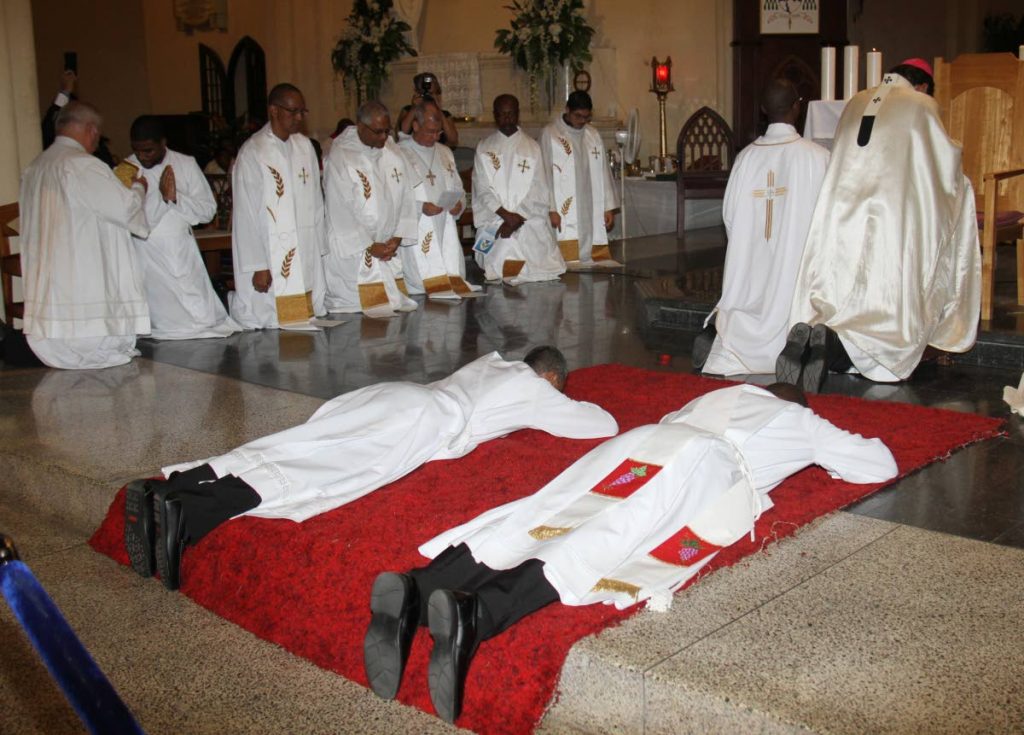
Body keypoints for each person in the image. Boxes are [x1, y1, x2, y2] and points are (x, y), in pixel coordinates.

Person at [362, 382, 897, 722]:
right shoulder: (799, 419)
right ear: (795, 402)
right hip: (700, 466)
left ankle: (419, 587)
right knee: (602, 544)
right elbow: (878, 464)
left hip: (641, 446)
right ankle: (476, 614)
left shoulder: (720, 395)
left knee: (546, 517)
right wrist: (819, 453)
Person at [123, 346, 616, 591]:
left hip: (398, 394)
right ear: (549, 376)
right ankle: (188, 515)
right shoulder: (535, 388)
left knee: (297, 443)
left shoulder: (492, 363)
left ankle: (178, 490)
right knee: (323, 473)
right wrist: (556, 395)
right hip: (424, 421)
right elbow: (602, 425)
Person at [778, 58, 980, 391]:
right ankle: (838, 350)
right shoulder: (920, 104)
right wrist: (961, 185)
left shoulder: (857, 100)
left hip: (843, 212)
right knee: (885, 308)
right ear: (924, 86)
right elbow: (942, 162)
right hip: (891, 215)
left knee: (845, 291)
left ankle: (825, 337)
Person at [693, 79, 829, 376]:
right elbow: (829, 221)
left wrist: (750, 240)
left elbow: (729, 215)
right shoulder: (817, 157)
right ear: (797, 107)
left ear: (764, 110)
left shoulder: (746, 157)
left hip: (750, 263)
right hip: (794, 265)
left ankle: (725, 335)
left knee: (743, 298)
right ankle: (793, 346)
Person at [19, 101, 151, 369]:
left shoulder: (37, 165)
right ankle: (91, 347)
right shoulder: (83, 165)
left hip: (51, 262)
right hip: (81, 261)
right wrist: (138, 188)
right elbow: (125, 211)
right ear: (91, 130)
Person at [126, 116, 241, 340]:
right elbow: (128, 218)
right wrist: (160, 199)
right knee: (167, 323)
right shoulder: (125, 168)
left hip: (181, 249)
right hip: (147, 253)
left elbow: (207, 211)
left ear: (163, 142)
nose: (142, 156)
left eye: (148, 150)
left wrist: (175, 198)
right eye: (137, 150)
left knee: (202, 319)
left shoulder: (185, 164)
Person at [230, 82, 327, 329]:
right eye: (292, 111)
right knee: (274, 324)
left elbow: (317, 200)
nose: (298, 118)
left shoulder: (305, 146)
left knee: (304, 320)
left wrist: (320, 246)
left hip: (304, 243)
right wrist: (258, 264)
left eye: (301, 112)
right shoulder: (254, 152)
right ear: (273, 110)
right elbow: (245, 213)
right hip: (270, 250)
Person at [323, 101, 419, 317]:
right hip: (354, 253)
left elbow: (406, 195)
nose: (384, 137)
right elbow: (339, 209)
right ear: (360, 126)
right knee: (356, 314)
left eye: (387, 130)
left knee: (389, 308)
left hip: (386, 248)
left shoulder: (392, 151)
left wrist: (398, 236)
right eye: (377, 132)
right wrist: (368, 245)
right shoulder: (341, 155)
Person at [473, 95, 566, 285]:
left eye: (511, 113)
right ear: (495, 115)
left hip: (526, 219)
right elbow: (481, 189)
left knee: (535, 264)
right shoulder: (484, 148)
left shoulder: (532, 147)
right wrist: (506, 216)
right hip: (496, 219)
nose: (507, 118)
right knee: (497, 263)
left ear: (518, 114)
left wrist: (517, 218)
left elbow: (539, 189)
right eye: (502, 114)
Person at [398, 100, 481, 300]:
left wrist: (459, 204)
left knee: (448, 278)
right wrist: (420, 207)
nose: (435, 137)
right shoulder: (399, 153)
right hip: (417, 228)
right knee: (421, 284)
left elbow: (458, 187)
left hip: (445, 224)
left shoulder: (444, 152)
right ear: (415, 126)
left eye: (438, 132)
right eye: (429, 131)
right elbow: (394, 197)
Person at [539, 91, 619, 265]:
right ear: (567, 110)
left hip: (589, 202)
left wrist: (607, 207)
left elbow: (603, 172)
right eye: (578, 116)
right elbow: (545, 174)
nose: (582, 121)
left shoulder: (593, 135)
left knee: (590, 252)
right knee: (566, 257)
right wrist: (551, 208)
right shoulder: (551, 134)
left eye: (586, 117)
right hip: (562, 207)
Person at [396, 72, 459, 147]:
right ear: (416, 92)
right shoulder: (408, 111)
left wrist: (437, 109)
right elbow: (402, 134)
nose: (428, 96)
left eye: (433, 93)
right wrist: (414, 108)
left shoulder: (445, 115)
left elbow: (453, 141)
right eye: (425, 93)